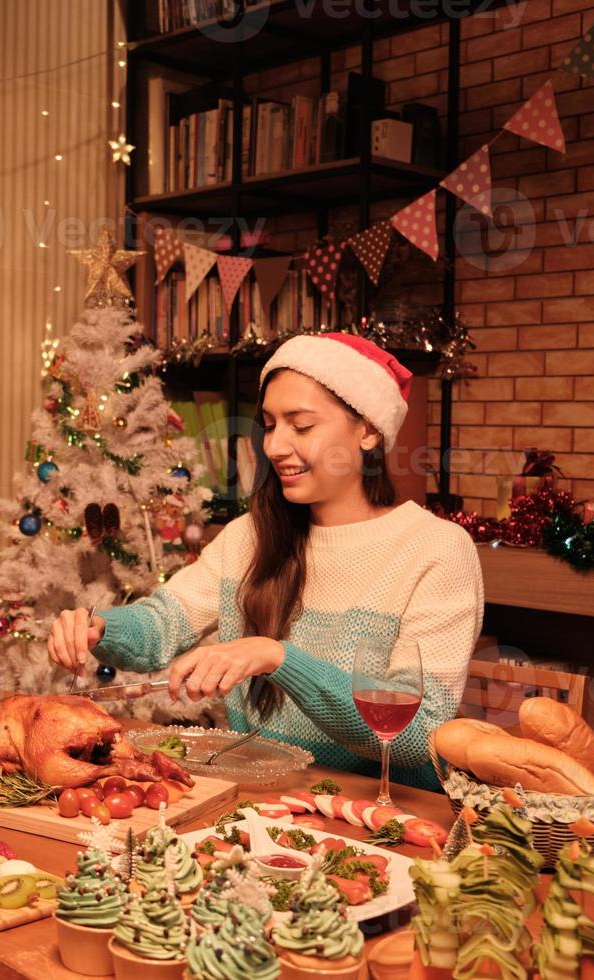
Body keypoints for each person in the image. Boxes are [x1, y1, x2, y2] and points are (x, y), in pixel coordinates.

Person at [47, 333, 483, 788]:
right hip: (260, 803)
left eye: (302, 425)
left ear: (368, 430)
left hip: (379, 815)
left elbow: (419, 734)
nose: (274, 446)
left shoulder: (436, 549)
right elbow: (162, 625)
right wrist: (101, 629)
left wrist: (277, 657)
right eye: (271, 424)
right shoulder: (251, 535)